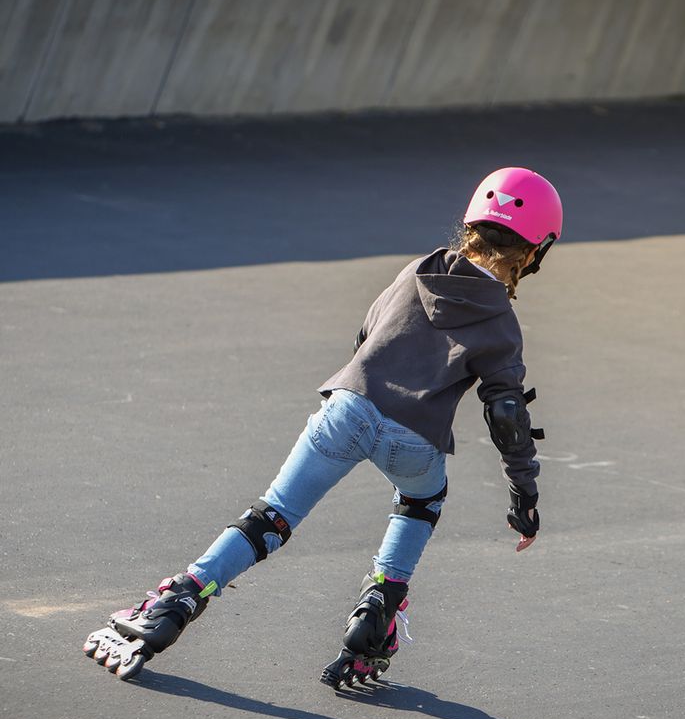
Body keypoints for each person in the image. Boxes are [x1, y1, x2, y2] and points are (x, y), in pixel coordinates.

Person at [83, 167, 564, 687]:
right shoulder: (501, 324)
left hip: (348, 408)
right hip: (414, 441)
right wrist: (523, 495)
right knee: (422, 500)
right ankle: (379, 607)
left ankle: (178, 598)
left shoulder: (420, 269)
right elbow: (507, 415)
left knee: (271, 516)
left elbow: (366, 334)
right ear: (536, 251)